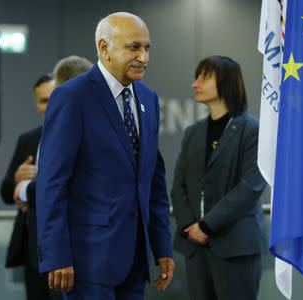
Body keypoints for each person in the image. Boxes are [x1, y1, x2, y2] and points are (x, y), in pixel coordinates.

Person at [36, 12, 174, 300]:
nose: (144, 57)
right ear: (104, 47)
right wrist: (56, 255)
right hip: (86, 264)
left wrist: (162, 247)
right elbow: (52, 184)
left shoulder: (148, 98)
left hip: (135, 263)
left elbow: (154, 180)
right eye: (133, 47)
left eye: (147, 48)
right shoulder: (72, 97)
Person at [171, 56, 267, 300]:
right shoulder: (193, 132)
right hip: (196, 246)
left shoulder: (252, 130)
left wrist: (207, 225)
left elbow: (250, 187)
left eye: (204, 77)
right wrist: (190, 227)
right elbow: (179, 187)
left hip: (236, 247)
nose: (195, 84)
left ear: (225, 82)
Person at [0, 74, 56, 300]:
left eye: (54, 97)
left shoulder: (78, 134)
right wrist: (17, 178)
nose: (49, 105)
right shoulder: (28, 140)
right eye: (43, 100)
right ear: (36, 104)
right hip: (33, 245)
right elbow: (5, 193)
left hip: (69, 246)